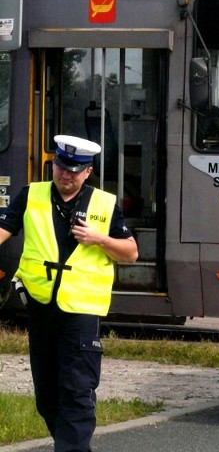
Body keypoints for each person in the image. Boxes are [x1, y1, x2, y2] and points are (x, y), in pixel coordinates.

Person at [0, 135, 138, 452]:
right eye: (63, 167)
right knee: (47, 398)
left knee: (76, 391)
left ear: (88, 172)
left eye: (76, 170)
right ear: (54, 164)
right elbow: (4, 229)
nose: (67, 175)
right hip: (41, 308)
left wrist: (99, 239)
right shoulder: (30, 196)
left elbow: (130, 253)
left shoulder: (104, 204)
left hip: (81, 312)